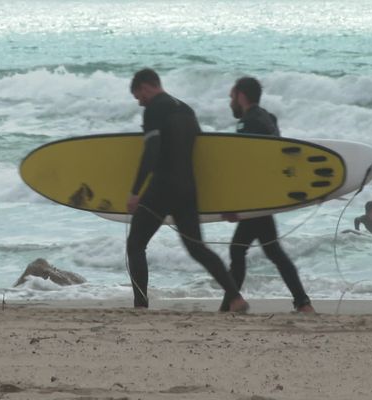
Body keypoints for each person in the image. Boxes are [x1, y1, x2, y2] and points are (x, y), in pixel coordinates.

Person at [126, 68, 249, 312]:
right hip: (187, 189)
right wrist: (224, 202)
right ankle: (235, 297)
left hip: (162, 187)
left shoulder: (155, 109)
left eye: (139, 97)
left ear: (145, 87)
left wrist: (135, 191)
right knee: (197, 248)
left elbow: (151, 150)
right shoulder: (187, 110)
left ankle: (140, 305)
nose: (140, 103)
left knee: (136, 243)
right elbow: (205, 158)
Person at [219, 76, 314, 313]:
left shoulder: (246, 124)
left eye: (232, 97)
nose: (230, 102)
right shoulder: (269, 119)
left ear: (241, 95)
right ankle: (302, 303)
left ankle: (231, 304)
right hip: (268, 198)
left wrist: (234, 203)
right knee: (272, 252)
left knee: (239, 250)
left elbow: (243, 166)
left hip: (255, 200)